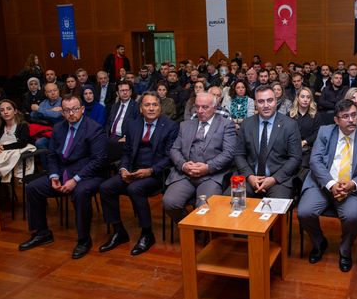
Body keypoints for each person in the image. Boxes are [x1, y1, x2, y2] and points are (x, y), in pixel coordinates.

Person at [19, 95, 108, 259]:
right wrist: (53, 175)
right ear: (62, 112)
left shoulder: (94, 129)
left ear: (82, 109)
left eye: (75, 109)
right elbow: (52, 155)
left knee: (81, 192)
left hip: (88, 175)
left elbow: (98, 161)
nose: (71, 113)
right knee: (33, 188)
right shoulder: (59, 128)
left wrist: (75, 180)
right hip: (62, 173)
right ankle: (42, 232)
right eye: (67, 110)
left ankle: (84, 239)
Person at [298, 99, 357, 272]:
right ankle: (319, 243)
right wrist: (331, 184)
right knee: (304, 212)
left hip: (350, 188)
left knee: (352, 217)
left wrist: (353, 184)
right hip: (322, 183)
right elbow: (315, 161)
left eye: (354, 115)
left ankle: (345, 251)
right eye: (345, 116)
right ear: (336, 120)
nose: (351, 120)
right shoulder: (325, 132)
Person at [99, 92, 178, 256]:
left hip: (156, 174)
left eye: (154, 105)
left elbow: (170, 157)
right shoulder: (133, 124)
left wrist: (150, 171)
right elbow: (127, 152)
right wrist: (123, 169)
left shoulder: (170, 126)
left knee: (135, 189)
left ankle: (147, 234)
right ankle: (118, 230)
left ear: (160, 107)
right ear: (140, 109)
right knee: (106, 187)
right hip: (133, 171)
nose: (151, 108)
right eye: (147, 105)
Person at [163, 92, 236, 221]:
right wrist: (184, 165)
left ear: (215, 107)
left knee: (204, 207)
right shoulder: (185, 125)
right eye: (197, 107)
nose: (200, 111)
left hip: (211, 176)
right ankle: (190, 228)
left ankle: (200, 229)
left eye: (205, 107)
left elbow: (229, 153)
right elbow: (174, 149)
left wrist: (208, 167)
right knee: (170, 203)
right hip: (185, 174)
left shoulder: (225, 125)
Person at [234, 85, 302, 199]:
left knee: (275, 210)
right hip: (250, 178)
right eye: (261, 101)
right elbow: (239, 154)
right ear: (255, 103)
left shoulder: (290, 125)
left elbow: (295, 158)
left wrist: (274, 179)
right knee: (230, 204)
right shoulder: (246, 124)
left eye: (269, 100)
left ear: (276, 101)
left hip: (278, 180)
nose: (266, 105)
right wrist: (250, 176)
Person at [289, 87, 321, 168]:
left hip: (308, 149)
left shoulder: (315, 115)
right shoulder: (290, 115)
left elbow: (317, 133)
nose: (305, 99)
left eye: (308, 97)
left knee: (303, 166)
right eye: (302, 97)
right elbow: (286, 133)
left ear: (311, 100)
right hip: (291, 148)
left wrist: (304, 142)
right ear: (297, 98)